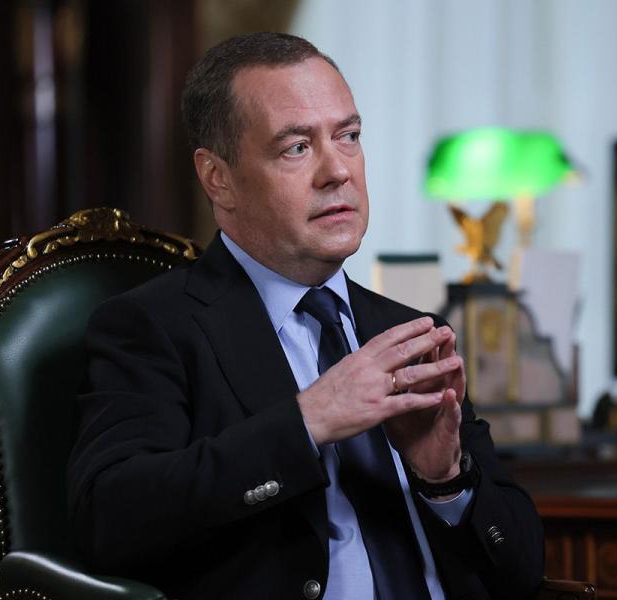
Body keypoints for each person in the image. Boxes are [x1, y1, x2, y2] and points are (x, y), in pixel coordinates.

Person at [67, 32, 543, 600]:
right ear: (218, 178)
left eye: (349, 137)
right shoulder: (154, 326)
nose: (337, 171)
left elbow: (523, 571)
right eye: (296, 147)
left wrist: (445, 479)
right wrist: (306, 422)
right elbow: (110, 518)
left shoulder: (409, 331)